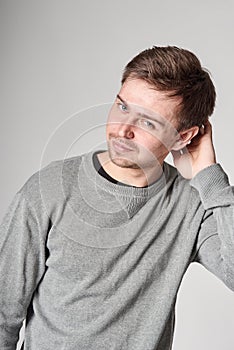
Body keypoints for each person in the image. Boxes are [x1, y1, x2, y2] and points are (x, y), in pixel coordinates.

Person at [0, 46, 233, 350]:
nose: (123, 130)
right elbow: (3, 312)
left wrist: (209, 175)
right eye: (123, 107)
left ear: (183, 137)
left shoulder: (192, 204)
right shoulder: (48, 190)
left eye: (148, 122)